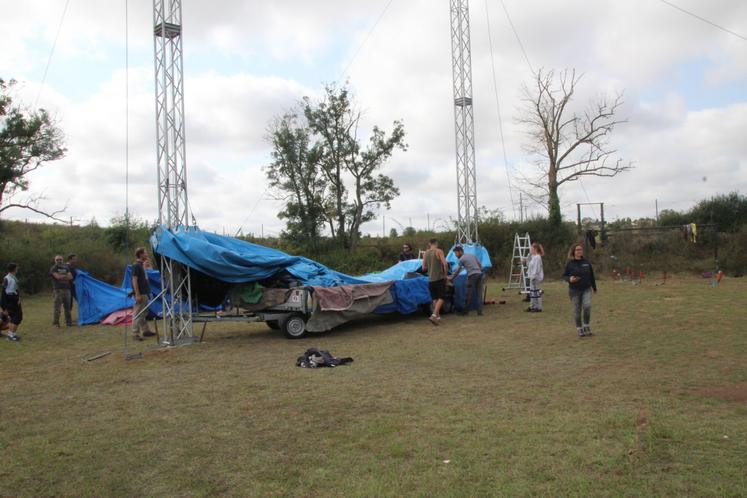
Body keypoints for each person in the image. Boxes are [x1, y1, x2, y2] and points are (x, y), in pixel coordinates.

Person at [562, 243, 597, 337]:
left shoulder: (586, 262)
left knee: (587, 306)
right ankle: (579, 328)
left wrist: (594, 287)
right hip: (574, 290)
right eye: (577, 250)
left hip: (586, 289)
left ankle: (586, 325)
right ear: (573, 251)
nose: (579, 251)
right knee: (577, 310)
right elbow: (564, 276)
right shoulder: (570, 264)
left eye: (581, 249)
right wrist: (570, 279)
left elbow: (591, 276)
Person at [448, 245, 483, 316]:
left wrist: (451, 278)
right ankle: (480, 312)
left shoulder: (462, 259)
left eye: (456, 253)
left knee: (469, 293)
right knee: (479, 294)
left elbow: (458, 270)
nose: (455, 255)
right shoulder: (472, 255)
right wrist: (478, 271)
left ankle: (465, 312)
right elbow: (479, 265)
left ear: (460, 251)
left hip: (472, 275)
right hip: (479, 274)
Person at [422, 238, 449, 325]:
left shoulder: (425, 253)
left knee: (435, 298)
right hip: (439, 278)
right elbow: (445, 264)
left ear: (429, 244)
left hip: (430, 279)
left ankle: (437, 317)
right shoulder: (439, 251)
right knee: (442, 297)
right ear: (436, 243)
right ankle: (433, 315)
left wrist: (430, 268)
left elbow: (423, 268)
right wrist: (445, 274)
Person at [131, 247, 155, 341]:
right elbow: (134, 280)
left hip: (144, 293)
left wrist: (146, 267)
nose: (147, 254)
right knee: (138, 313)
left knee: (143, 313)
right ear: (140, 254)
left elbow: (145, 278)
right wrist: (137, 294)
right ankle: (135, 333)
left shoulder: (141, 266)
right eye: (145, 253)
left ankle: (145, 330)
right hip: (140, 293)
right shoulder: (136, 266)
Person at [50, 254, 73, 327]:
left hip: (67, 290)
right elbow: (57, 277)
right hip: (58, 290)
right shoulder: (53, 268)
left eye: (60, 259)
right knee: (57, 308)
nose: (59, 261)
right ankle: (56, 323)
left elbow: (71, 277)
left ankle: (68, 322)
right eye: (57, 260)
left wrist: (62, 276)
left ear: (62, 260)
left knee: (68, 307)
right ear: (55, 261)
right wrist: (65, 276)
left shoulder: (66, 267)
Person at [2, 263, 23, 341]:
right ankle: (10, 335)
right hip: (12, 301)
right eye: (17, 268)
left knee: (16, 317)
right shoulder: (9, 278)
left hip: (12, 300)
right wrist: (16, 299)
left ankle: (13, 334)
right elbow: (9, 292)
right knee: (16, 317)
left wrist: (19, 297)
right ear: (14, 269)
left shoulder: (10, 277)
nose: (17, 269)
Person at [526, 243, 545, 312]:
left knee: (536, 292)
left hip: (535, 278)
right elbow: (530, 266)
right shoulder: (534, 257)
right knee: (532, 292)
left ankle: (538, 307)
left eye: (531, 248)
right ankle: (532, 306)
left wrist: (533, 276)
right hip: (532, 277)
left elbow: (536, 268)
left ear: (535, 249)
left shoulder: (537, 257)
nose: (530, 250)